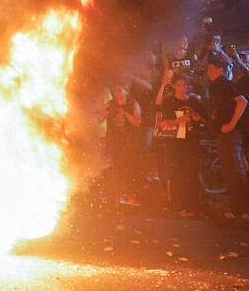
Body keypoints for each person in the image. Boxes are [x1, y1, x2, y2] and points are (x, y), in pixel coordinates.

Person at [154, 71, 206, 215]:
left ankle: (193, 206)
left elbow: (204, 119)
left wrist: (195, 117)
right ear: (174, 86)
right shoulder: (170, 101)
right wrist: (180, 120)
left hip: (192, 142)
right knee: (177, 173)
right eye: (179, 85)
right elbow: (164, 122)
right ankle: (177, 205)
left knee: (192, 173)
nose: (182, 88)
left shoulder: (194, 101)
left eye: (184, 85)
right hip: (175, 143)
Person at [206, 57, 249, 219]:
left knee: (234, 169)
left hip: (230, 134)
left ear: (220, 70)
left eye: (211, 69)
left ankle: (241, 210)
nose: (208, 72)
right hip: (224, 133)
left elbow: (242, 101)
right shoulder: (218, 85)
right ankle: (239, 208)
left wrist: (231, 123)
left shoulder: (223, 83)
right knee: (231, 169)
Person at [99, 84, 142, 206]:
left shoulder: (132, 104)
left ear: (126, 91)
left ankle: (130, 195)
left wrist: (125, 113)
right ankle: (118, 194)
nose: (116, 93)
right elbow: (99, 119)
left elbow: (138, 122)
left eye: (119, 90)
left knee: (129, 168)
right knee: (116, 168)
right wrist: (105, 113)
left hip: (129, 142)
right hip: (114, 141)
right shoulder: (110, 103)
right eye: (115, 90)